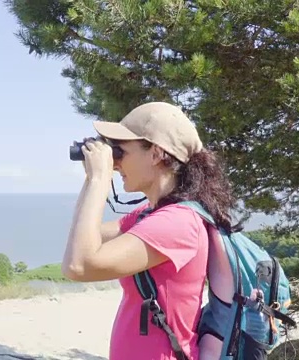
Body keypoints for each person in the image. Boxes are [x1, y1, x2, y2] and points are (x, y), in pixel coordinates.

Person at [62, 101, 237, 360]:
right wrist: (91, 178)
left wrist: (100, 179)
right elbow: (85, 239)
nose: (116, 164)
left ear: (156, 154)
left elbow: (78, 266)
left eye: (120, 152)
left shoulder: (177, 223)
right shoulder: (150, 215)